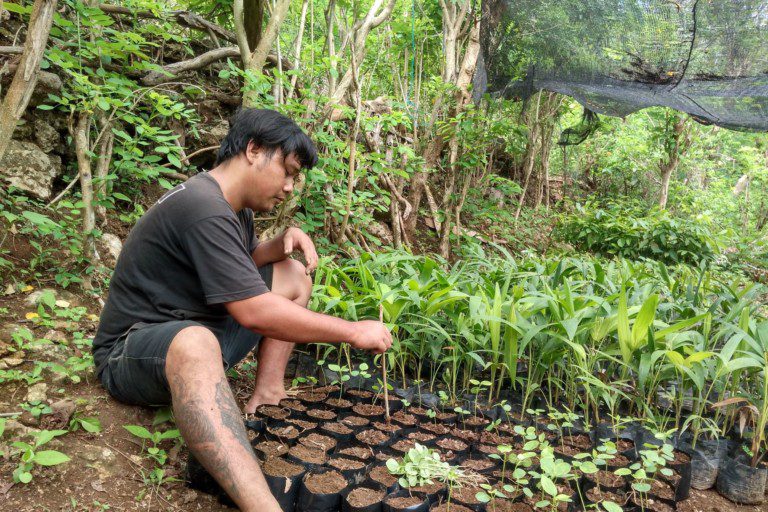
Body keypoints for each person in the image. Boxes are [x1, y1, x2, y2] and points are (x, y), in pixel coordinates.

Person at [92, 108, 392, 511]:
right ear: (253, 150)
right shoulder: (202, 207)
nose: (289, 187)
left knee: (293, 276)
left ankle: (268, 392)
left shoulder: (232, 207)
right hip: (131, 353)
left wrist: (280, 241)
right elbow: (252, 311)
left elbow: (239, 265)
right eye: (287, 171)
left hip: (186, 333)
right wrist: (353, 331)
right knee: (197, 342)